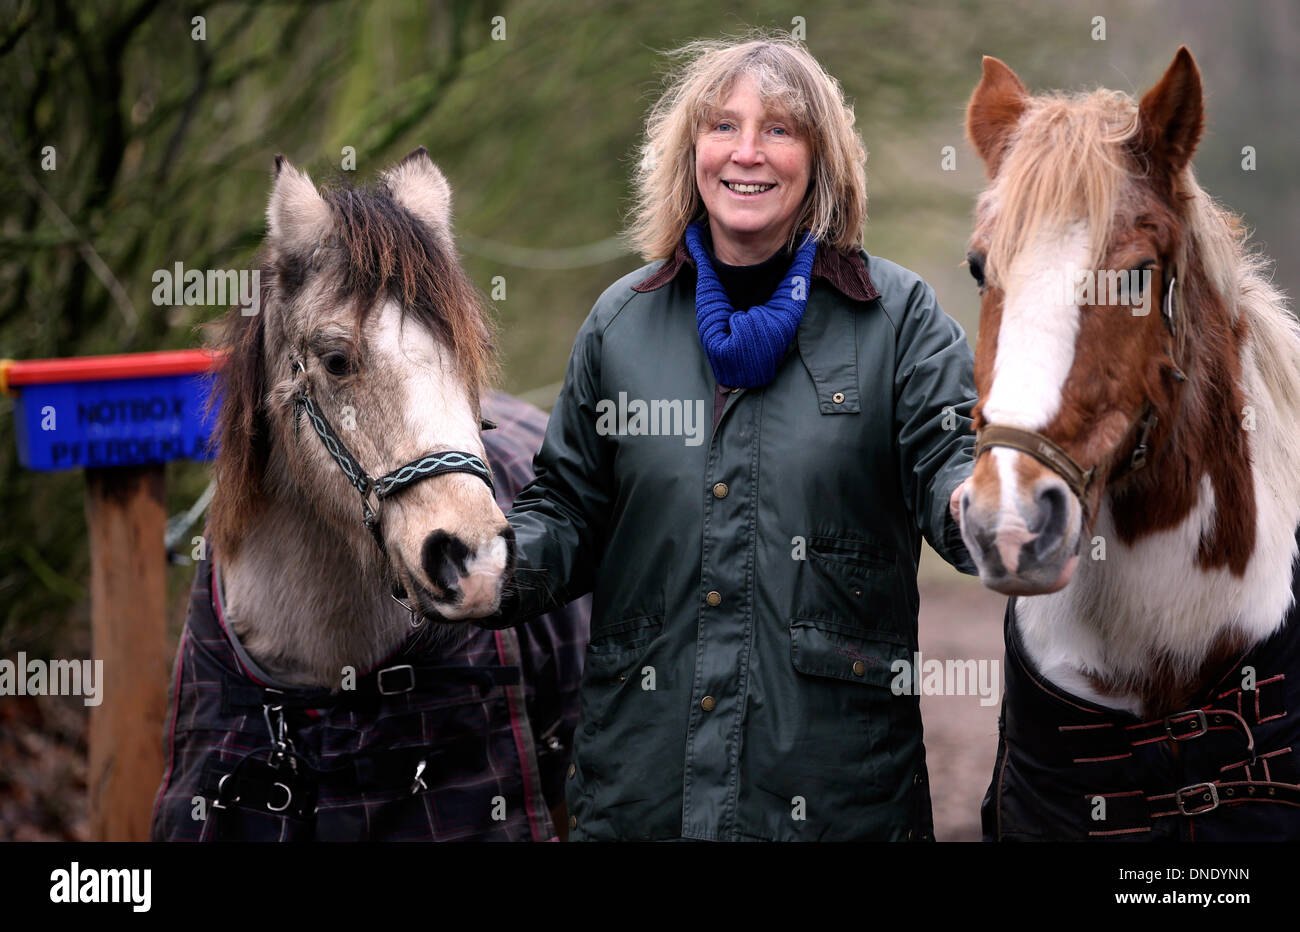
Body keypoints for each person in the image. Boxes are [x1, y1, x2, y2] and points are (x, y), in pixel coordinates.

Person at [477, 37, 976, 841]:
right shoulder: (622, 321)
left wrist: (988, 509)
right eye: (723, 126)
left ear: (821, 159)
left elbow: (953, 473)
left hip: (836, 803)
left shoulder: (897, 320)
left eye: (780, 130)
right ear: (691, 152)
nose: (747, 152)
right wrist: (486, 566)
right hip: (642, 795)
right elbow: (566, 510)